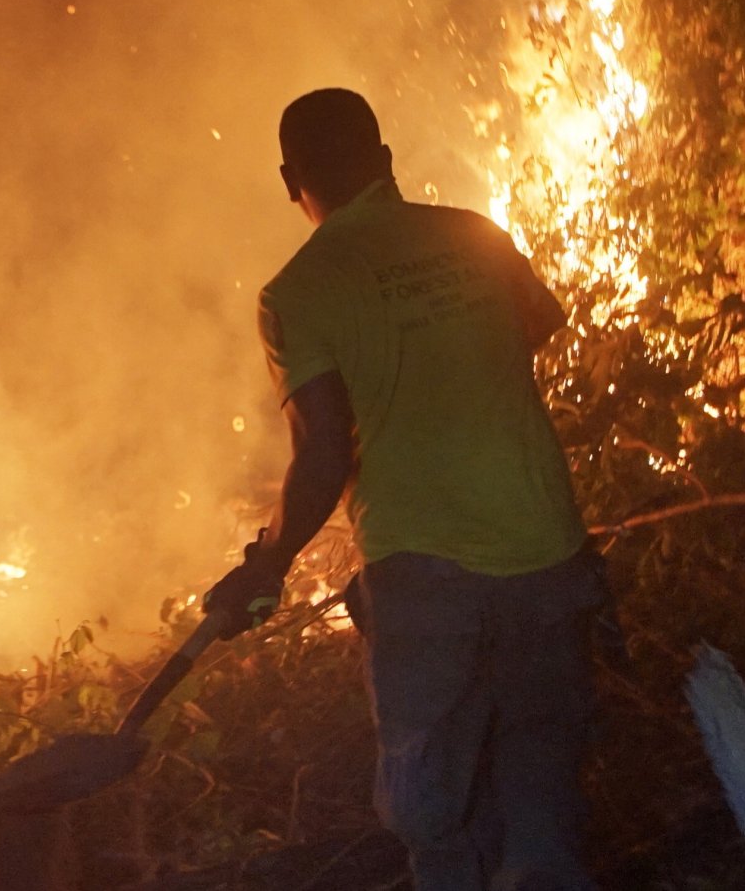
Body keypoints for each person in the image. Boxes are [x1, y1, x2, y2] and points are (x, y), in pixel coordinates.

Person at [203, 88, 607, 891]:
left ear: (291, 181)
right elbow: (541, 323)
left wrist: (267, 564)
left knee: (431, 810)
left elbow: (321, 455)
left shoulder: (297, 293)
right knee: (540, 788)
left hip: (425, 575)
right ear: (385, 160)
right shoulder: (475, 234)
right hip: (548, 550)